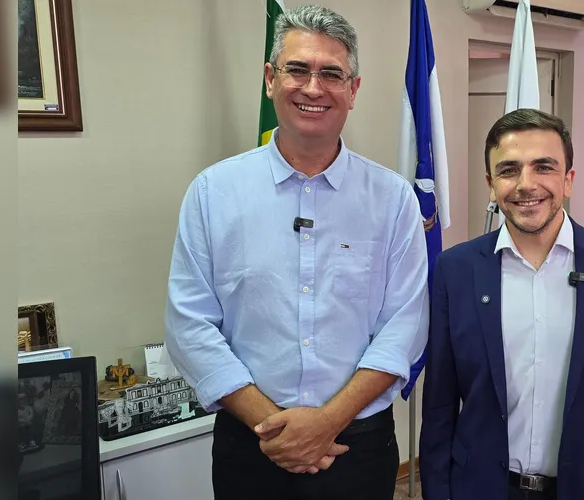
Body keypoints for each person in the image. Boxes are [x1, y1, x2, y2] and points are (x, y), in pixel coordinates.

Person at [164, 5, 429, 499]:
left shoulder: (393, 200)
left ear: (352, 89)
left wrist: (325, 423)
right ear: (270, 79)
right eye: (297, 69)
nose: (313, 88)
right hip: (252, 446)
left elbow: (404, 326)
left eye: (331, 73)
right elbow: (189, 324)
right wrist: (277, 429)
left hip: (359, 446)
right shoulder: (213, 193)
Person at [419, 108, 584, 500]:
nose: (525, 184)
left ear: (568, 179)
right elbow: (439, 403)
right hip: (481, 488)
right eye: (508, 170)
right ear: (491, 183)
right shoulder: (456, 270)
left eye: (543, 167)